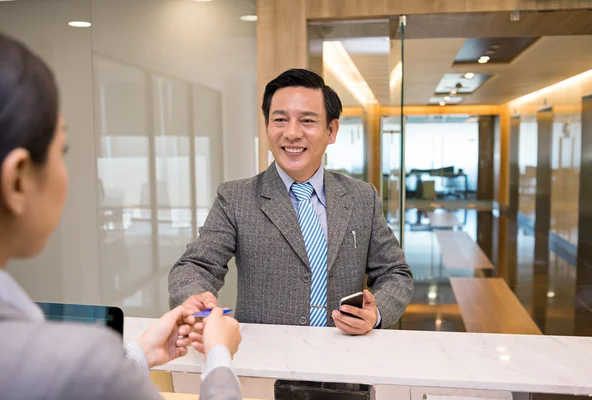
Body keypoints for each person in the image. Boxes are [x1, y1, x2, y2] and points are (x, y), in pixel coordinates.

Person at [0, 33, 241, 400]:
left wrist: (137, 355)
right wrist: (220, 356)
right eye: (61, 150)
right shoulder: (76, 362)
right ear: (18, 179)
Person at [169, 68, 414, 335]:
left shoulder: (362, 197)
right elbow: (195, 265)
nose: (292, 133)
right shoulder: (236, 198)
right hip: (265, 362)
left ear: (331, 130)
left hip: (345, 359)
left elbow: (395, 272)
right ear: (267, 127)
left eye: (307, 121)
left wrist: (376, 313)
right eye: (280, 120)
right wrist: (193, 296)